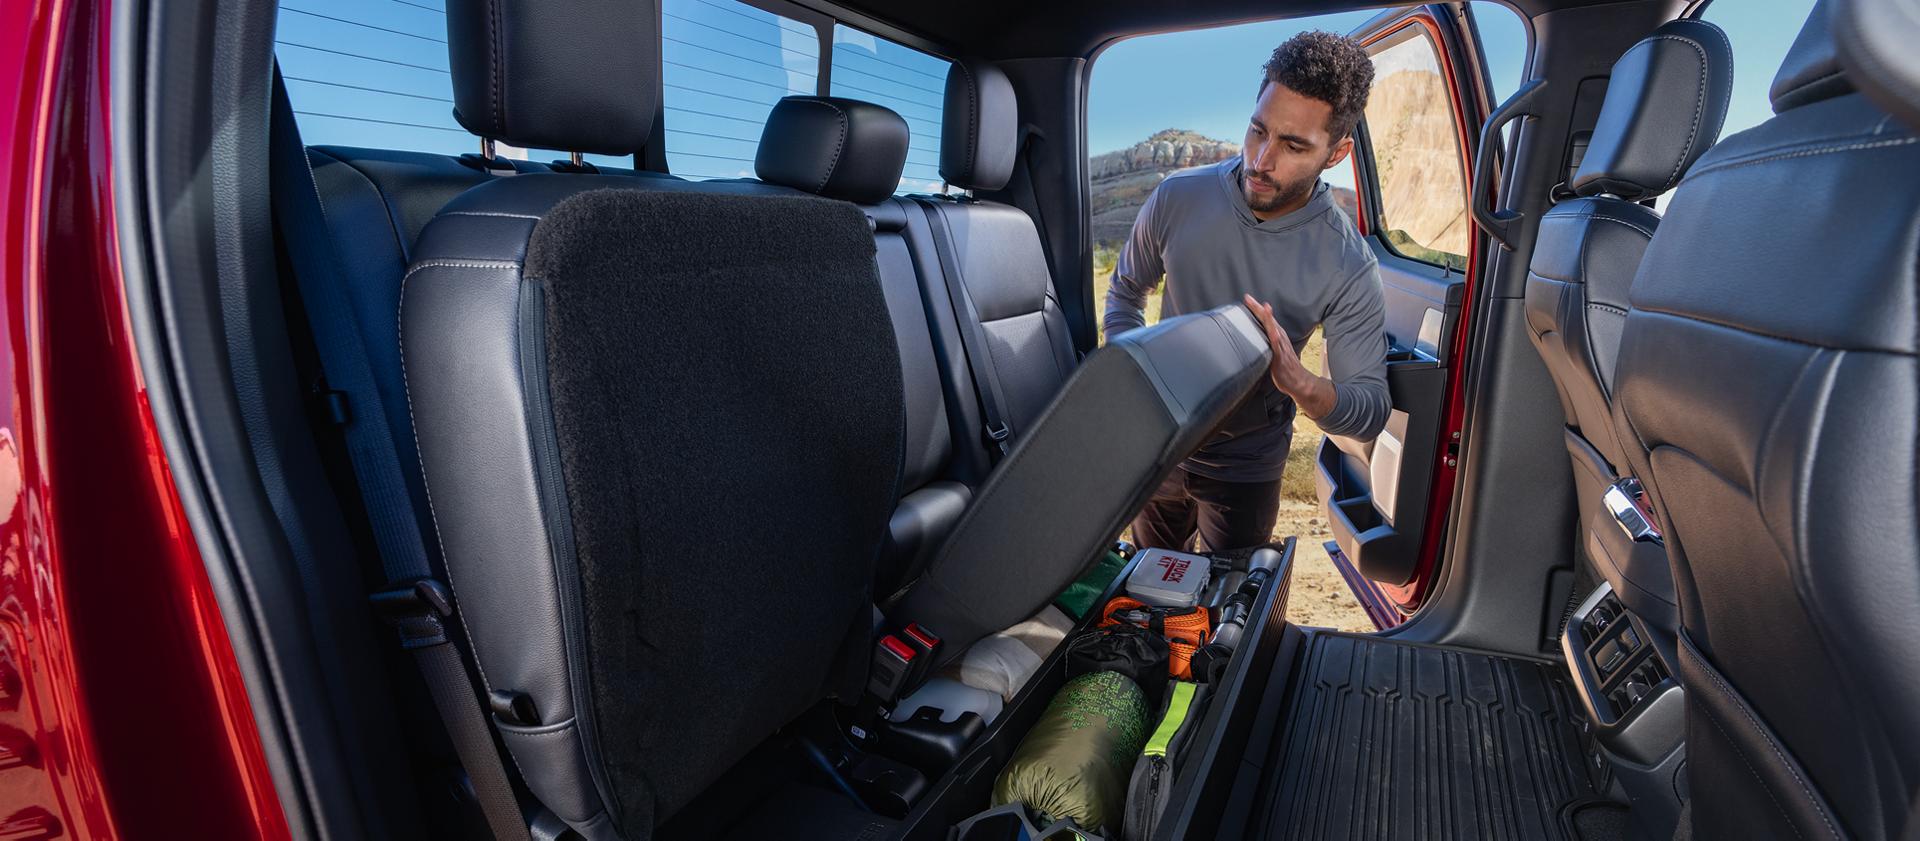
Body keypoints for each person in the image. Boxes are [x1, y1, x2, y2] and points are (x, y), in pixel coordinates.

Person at [1105, 30, 1390, 553]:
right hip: (1158, 448)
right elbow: (1125, 291)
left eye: (1293, 145)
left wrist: (1300, 383)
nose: (1261, 160)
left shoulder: (1348, 262)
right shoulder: (1176, 196)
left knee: (1224, 613)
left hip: (1248, 466)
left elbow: (1369, 408)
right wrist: (1134, 378)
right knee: (1147, 594)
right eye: (1257, 131)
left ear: (1337, 152)